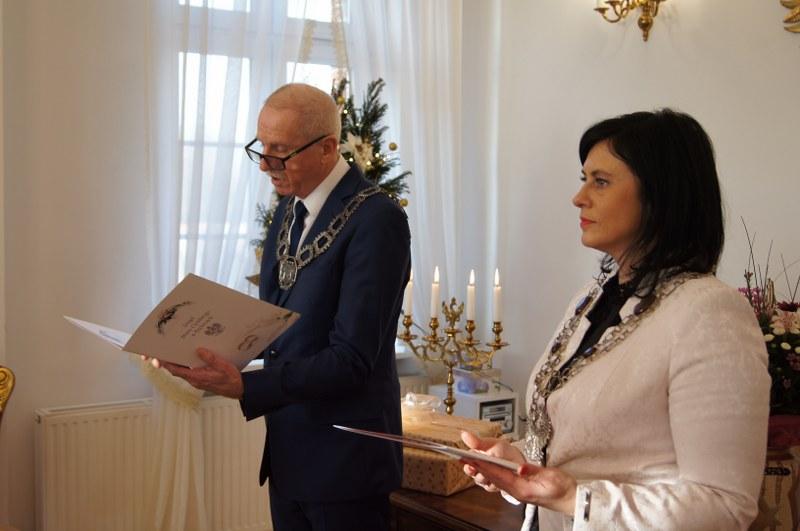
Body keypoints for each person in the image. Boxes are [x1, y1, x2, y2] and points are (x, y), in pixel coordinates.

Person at [460, 109, 770, 530]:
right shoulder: (592, 298)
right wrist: (517, 461)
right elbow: (575, 444)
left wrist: (576, 499)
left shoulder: (710, 313)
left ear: (660, 195)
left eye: (601, 181)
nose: (579, 197)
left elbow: (725, 506)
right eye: (584, 178)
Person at [162, 83, 411, 531]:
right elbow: (278, 328)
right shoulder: (287, 210)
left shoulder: (378, 220)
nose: (264, 164)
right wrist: (200, 344)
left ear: (328, 148)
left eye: (280, 152)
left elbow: (352, 358)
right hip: (290, 454)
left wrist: (246, 386)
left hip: (347, 465)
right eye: (261, 147)